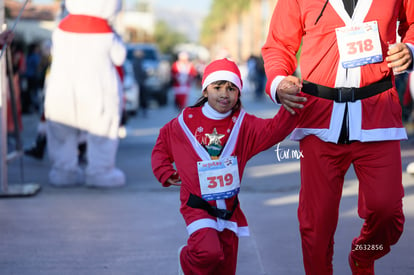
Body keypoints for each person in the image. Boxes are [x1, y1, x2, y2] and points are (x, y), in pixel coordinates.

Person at [262, 1, 414, 274]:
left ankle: (363, 255)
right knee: (316, 226)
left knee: (388, 212)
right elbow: (278, 45)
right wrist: (278, 82)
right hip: (318, 119)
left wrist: (410, 49)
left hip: (377, 114)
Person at [151, 58, 301, 275]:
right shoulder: (185, 122)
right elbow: (162, 145)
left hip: (229, 209)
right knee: (208, 252)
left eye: (231, 88)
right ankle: (187, 259)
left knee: (225, 267)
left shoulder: (244, 124)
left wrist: (293, 102)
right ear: (205, 90)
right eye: (217, 87)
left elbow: (274, 130)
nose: (224, 94)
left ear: (239, 93)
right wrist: (164, 171)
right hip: (196, 205)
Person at [44, 0, 126, 187]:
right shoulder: (106, 32)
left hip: (62, 91)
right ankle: (100, 172)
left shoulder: (61, 29)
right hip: (98, 91)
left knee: (61, 133)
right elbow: (119, 57)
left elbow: (53, 52)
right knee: (102, 133)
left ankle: (63, 171)